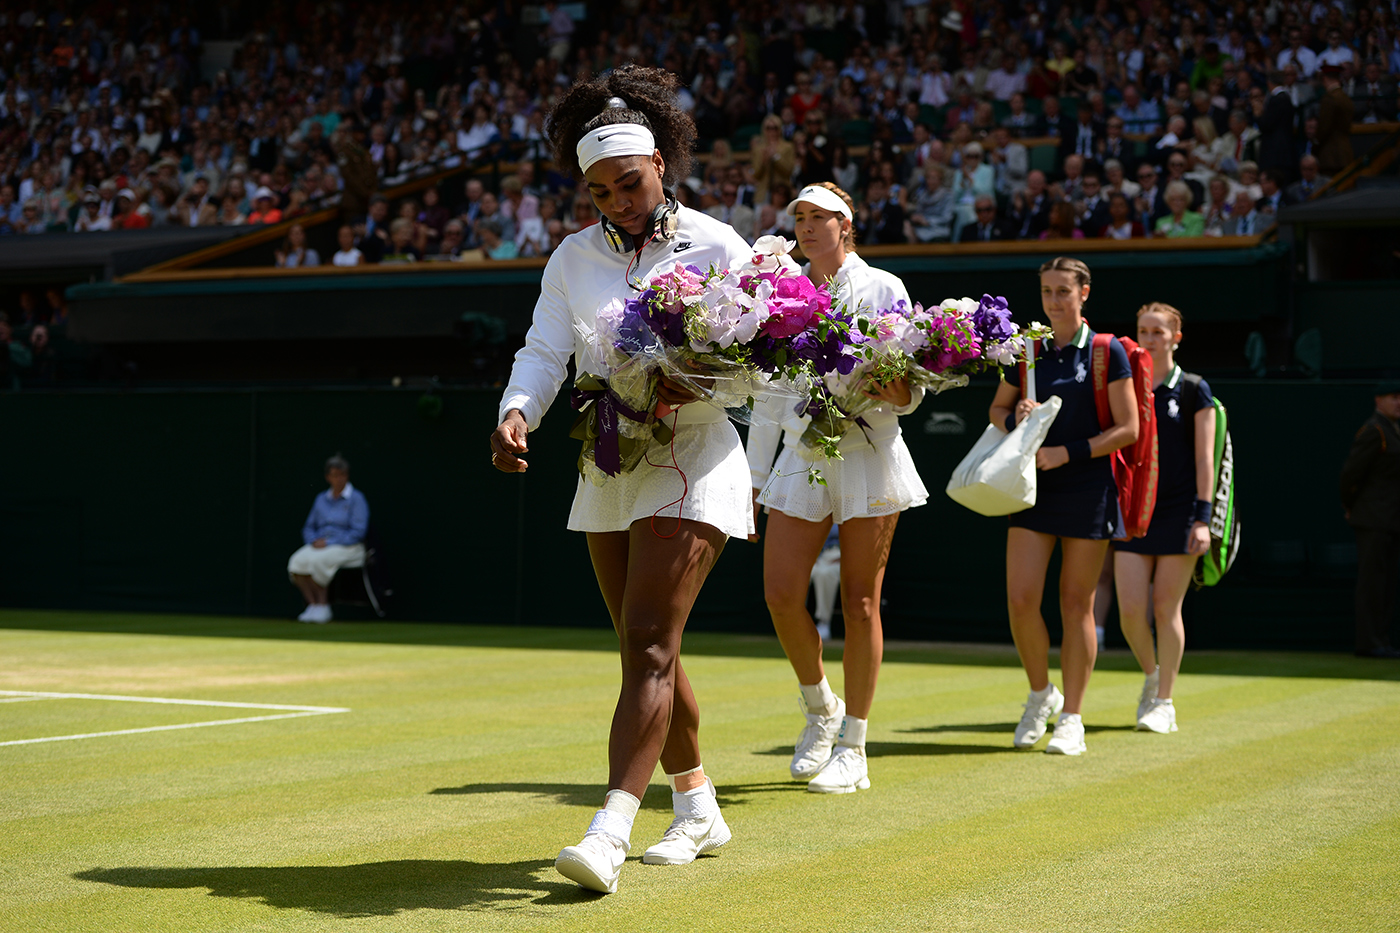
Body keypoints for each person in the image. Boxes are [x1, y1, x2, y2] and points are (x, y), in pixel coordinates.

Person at [490, 65, 752, 895]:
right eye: (599, 191)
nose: (617, 201)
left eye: (628, 183)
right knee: (649, 650)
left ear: (662, 165)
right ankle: (699, 804)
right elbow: (543, 350)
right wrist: (516, 409)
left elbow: (764, 365)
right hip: (609, 458)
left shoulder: (719, 244)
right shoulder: (570, 258)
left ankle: (608, 831)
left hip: (699, 454)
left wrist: (699, 382)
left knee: (645, 643)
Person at [748, 181, 927, 795]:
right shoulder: (778, 292)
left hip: (868, 453)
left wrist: (891, 390)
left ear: (844, 225)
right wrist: (751, 477)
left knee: (861, 603)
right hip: (803, 454)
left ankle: (854, 744)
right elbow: (768, 400)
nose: (806, 226)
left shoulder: (883, 289)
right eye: (798, 216)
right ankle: (820, 707)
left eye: (818, 216)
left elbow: (908, 392)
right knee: (779, 594)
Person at [987, 257, 1139, 755]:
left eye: (1063, 291)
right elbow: (997, 409)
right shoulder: (1027, 351)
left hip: (1089, 487)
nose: (1054, 300)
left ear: (1084, 293)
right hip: (1033, 489)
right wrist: (1018, 421)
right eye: (1047, 291)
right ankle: (1040, 695)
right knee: (1019, 600)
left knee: (1077, 605)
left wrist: (1065, 452)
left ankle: (1072, 716)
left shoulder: (1106, 350)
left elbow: (1128, 428)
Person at [1114, 303, 1217, 733]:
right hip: (1134, 511)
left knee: (1164, 608)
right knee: (1131, 612)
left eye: (1158, 331)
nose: (1150, 339)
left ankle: (1165, 701)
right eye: (1143, 331)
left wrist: (1202, 518)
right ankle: (1152, 677)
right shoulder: (1125, 384)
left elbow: (1204, 457)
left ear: (1177, 337)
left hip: (1180, 513)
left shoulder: (1194, 389)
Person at [1340, 381, 1400, 658]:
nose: (1398, 402)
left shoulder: (1393, 430)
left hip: (1390, 520)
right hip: (1373, 519)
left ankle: (1381, 640)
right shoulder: (1374, 431)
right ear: (1379, 400)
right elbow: (1351, 476)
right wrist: (1351, 506)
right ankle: (1369, 643)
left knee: (1386, 584)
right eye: (1393, 397)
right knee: (1372, 584)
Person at [287, 454, 369, 624]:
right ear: (328, 477)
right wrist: (313, 541)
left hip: (349, 547)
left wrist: (329, 542)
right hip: (320, 544)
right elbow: (309, 527)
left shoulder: (357, 499)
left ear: (347, 476)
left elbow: (358, 531)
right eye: (335, 475)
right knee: (296, 562)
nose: (339, 479)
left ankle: (323, 605)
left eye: (342, 475)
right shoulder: (321, 499)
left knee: (319, 561)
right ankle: (313, 605)